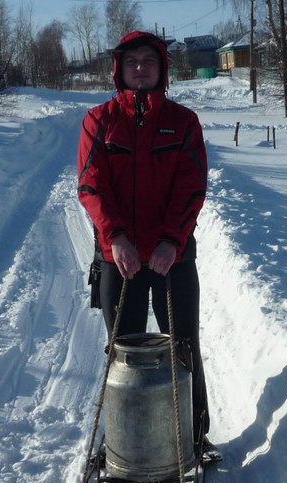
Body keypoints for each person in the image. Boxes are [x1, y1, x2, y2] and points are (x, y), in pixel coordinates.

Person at [77, 30, 212, 447]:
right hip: (120, 259)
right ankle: (126, 438)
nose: (140, 68)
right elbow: (91, 186)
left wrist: (172, 240)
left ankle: (195, 436)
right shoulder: (99, 121)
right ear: (119, 69)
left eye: (148, 62)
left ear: (161, 69)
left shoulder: (183, 122)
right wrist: (116, 238)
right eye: (132, 61)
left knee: (184, 346)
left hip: (174, 257)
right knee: (124, 351)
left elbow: (192, 186)